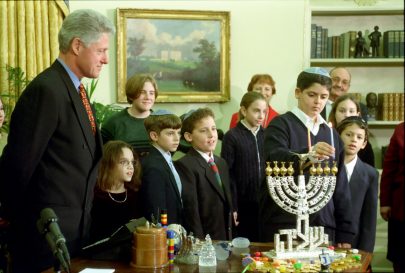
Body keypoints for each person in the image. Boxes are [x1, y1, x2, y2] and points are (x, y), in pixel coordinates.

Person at [0, 9, 114, 272]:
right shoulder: (47, 90)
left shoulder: (75, 89)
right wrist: (26, 225)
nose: (106, 59)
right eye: (101, 50)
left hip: (74, 234)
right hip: (44, 238)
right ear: (77, 45)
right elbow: (17, 168)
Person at [258, 68, 355, 247]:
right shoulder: (281, 124)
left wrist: (346, 232)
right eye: (312, 95)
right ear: (298, 92)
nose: (318, 102)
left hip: (323, 226)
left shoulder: (331, 133)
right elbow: (274, 157)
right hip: (284, 222)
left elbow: (340, 185)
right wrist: (307, 155)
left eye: (324, 97)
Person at [175, 108, 234, 240]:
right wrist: (199, 243)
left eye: (213, 129)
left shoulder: (221, 163)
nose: (211, 134)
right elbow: (192, 211)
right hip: (205, 240)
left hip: (224, 237)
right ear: (189, 136)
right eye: (203, 130)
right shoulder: (185, 165)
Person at [221, 92, 267, 241]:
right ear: (244, 110)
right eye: (256, 110)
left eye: (264, 111)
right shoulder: (232, 136)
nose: (261, 115)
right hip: (242, 204)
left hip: (265, 203)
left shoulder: (267, 135)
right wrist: (233, 206)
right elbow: (228, 173)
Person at [336, 116, 378, 253]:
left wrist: (366, 252)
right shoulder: (325, 168)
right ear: (338, 136)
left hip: (355, 242)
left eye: (359, 137)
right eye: (348, 135)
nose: (354, 139)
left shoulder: (370, 174)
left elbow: (369, 220)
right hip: (328, 239)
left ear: (364, 143)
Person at [90, 140, 142, 243]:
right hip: (99, 256)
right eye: (124, 162)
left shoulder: (135, 193)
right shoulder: (94, 195)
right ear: (109, 164)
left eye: (132, 162)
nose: (131, 166)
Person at [140, 110, 183, 225]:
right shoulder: (153, 166)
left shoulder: (165, 158)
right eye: (170, 133)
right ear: (154, 136)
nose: (176, 138)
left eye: (178, 132)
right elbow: (156, 210)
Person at [101, 74, 158, 157]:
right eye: (142, 92)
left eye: (151, 93)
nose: (148, 97)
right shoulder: (114, 122)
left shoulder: (161, 121)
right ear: (131, 95)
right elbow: (103, 155)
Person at [380, 122, 404, 273]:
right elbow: (389, 168)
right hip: (401, 208)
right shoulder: (401, 130)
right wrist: (385, 202)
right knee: (401, 260)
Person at [329, 94, 375, 167]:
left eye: (351, 111)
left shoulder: (364, 145)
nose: (347, 115)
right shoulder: (326, 137)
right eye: (342, 111)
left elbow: (368, 173)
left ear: (357, 114)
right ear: (334, 113)